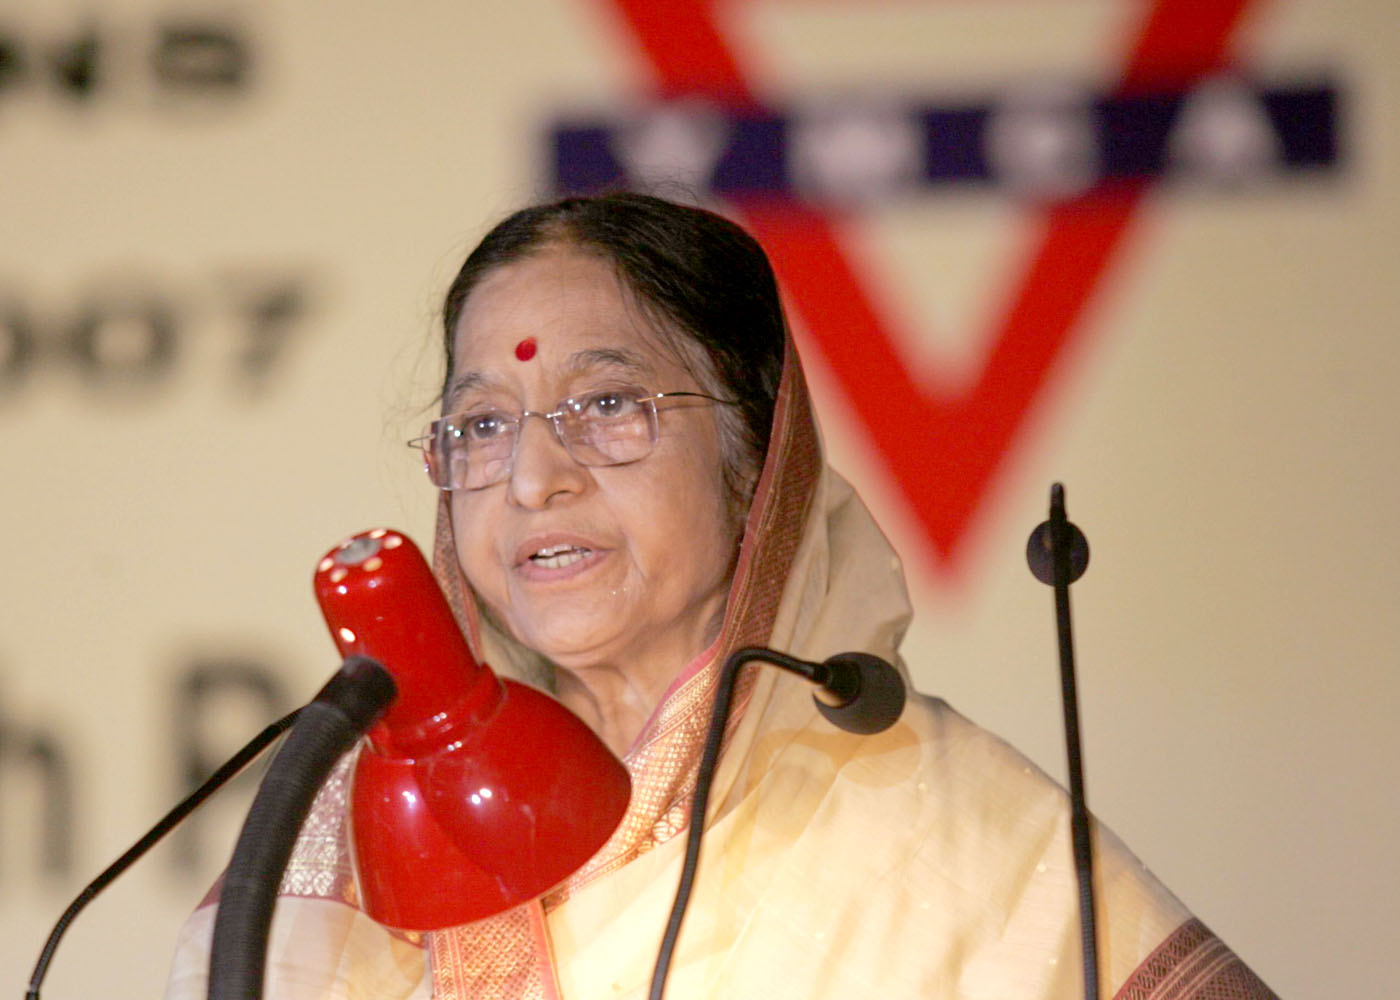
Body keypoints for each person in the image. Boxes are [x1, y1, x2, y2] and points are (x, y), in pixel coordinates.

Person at [165, 193, 1276, 999]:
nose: (532, 477)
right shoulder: (350, 832)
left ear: (760, 459)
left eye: (605, 403)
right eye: (483, 423)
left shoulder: (946, 837)